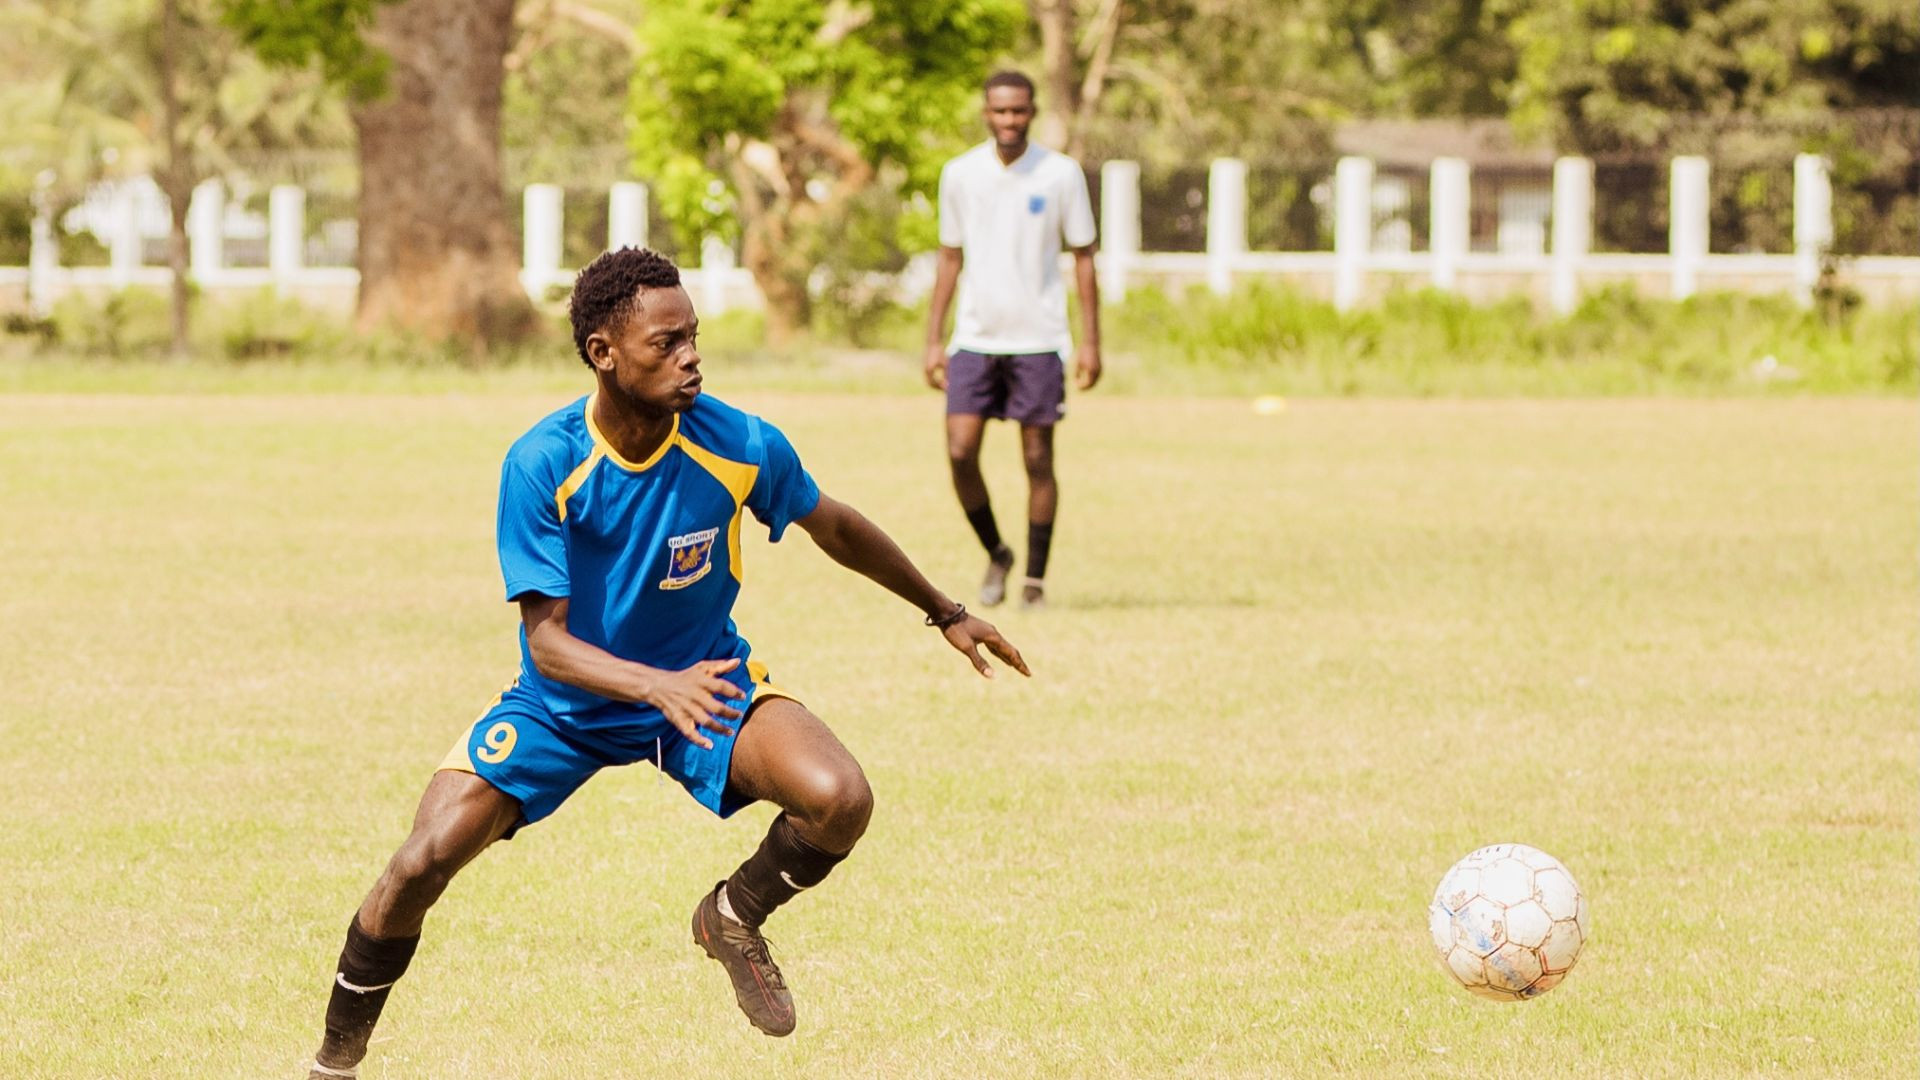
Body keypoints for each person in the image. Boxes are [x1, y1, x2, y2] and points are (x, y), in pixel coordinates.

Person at [306, 247, 1027, 1078]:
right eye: (665, 343)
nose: (689, 358)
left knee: (840, 799)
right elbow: (547, 642)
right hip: (564, 705)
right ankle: (334, 1063)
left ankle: (732, 914)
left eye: (693, 338)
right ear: (602, 352)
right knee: (421, 861)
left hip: (704, 683)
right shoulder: (543, 461)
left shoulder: (738, 440)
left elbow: (835, 526)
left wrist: (948, 611)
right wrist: (656, 686)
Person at [923, 69, 1102, 611]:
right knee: (959, 451)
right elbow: (950, 257)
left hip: (1040, 338)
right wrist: (934, 339)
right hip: (975, 338)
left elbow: (1084, 257)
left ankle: (1035, 583)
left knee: (1037, 459)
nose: (1009, 120)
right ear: (986, 112)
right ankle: (998, 551)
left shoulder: (1061, 175)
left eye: (1019, 111)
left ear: (1032, 111)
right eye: (1000, 111)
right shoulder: (960, 174)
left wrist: (1091, 341)